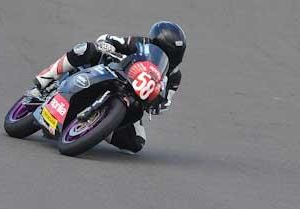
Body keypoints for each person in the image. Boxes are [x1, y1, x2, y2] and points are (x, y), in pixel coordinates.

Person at [31, 21, 186, 153]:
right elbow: (109, 39)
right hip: (112, 71)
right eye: (167, 51)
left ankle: (97, 126)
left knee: (136, 143)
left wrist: (158, 105)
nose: (171, 57)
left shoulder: (174, 77)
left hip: (133, 97)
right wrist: (108, 45)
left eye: (175, 54)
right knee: (85, 49)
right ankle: (45, 79)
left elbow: (167, 100)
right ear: (155, 43)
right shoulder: (140, 43)